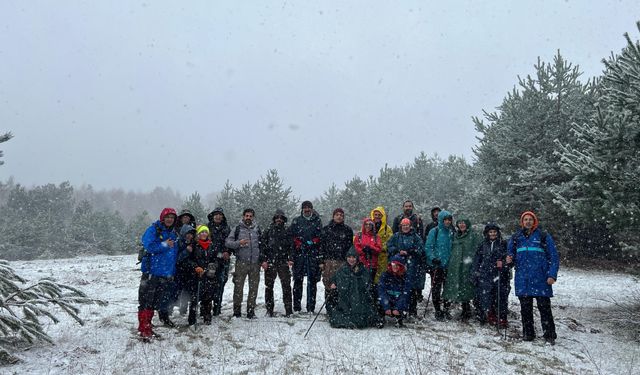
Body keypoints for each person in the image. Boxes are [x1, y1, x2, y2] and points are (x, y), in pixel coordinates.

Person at [506, 211, 559, 344]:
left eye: (530, 219)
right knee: (525, 309)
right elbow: (510, 256)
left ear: (534, 221)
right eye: (525, 220)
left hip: (541, 278)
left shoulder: (543, 236)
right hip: (523, 279)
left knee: (544, 308)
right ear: (522, 222)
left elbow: (553, 257)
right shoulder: (516, 237)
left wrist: (552, 275)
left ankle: (549, 335)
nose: (528, 222)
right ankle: (528, 334)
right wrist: (509, 260)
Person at [137, 208, 179, 340]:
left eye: (172, 217)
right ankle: (144, 329)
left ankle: (147, 326)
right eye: (167, 217)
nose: (170, 219)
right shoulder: (153, 230)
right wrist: (164, 244)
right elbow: (149, 246)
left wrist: (171, 272)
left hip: (164, 274)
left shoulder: (173, 233)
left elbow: (173, 255)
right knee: (146, 301)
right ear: (162, 218)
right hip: (151, 272)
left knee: (154, 302)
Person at [328, 247, 378, 329]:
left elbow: (367, 282)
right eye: (349, 257)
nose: (351, 260)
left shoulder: (362, 269)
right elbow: (335, 277)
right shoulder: (342, 269)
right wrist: (334, 283)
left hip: (359, 298)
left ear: (357, 258)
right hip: (346, 299)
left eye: (353, 257)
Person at [225, 208, 262, 319]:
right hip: (241, 262)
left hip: (255, 263)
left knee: (254, 288)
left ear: (253, 217)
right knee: (238, 288)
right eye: (246, 216)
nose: (248, 218)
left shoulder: (257, 229)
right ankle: (237, 312)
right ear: (243, 216)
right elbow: (228, 242)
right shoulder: (237, 229)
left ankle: (251, 311)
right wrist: (238, 243)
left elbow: (262, 244)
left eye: (250, 216)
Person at [442, 217, 481, 321]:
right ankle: (447, 309)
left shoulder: (473, 235)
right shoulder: (455, 235)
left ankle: (467, 310)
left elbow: (479, 249)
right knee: (454, 286)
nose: (462, 225)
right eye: (460, 223)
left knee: (467, 287)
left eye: (464, 223)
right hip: (455, 266)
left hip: (468, 266)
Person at [472, 223, 510, 327]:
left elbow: (509, 259)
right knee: (489, 296)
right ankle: (491, 315)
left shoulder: (503, 243)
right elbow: (477, 259)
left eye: (494, 232)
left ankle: (502, 318)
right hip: (486, 274)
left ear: (498, 233)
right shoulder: (483, 244)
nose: (493, 234)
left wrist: (503, 263)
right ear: (487, 233)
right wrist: (475, 272)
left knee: (501, 297)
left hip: (500, 274)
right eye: (490, 232)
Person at [289, 201, 323, 313]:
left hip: (313, 254)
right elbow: (291, 235)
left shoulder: (317, 220)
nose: (307, 209)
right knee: (298, 280)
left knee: (312, 281)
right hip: (299, 254)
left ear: (312, 209)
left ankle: (311, 307)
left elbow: (320, 236)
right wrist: (298, 242)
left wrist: (313, 242)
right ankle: (297, 307)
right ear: (302, 209)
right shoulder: (296, 221)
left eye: (309, 208)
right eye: (305, 208)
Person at [319, 208, 354, 314]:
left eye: (341, 215)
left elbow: (350, 247)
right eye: (337, 215)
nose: (339, 217)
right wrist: (321, 261)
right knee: (329, 286)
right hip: (329, 261)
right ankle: (329, 309)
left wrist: (350, 261)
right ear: (333, 216)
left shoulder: (348, 230)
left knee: (342, 286)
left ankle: (341, 308)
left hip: (343, 262)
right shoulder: (326, 229)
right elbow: (321, 246)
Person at [387, 218, 424, 318]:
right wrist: (398, 251)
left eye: (407, 225)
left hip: (412, 266)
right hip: (398, 266)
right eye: (403, 225)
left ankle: (412, 310)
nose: (405, 227)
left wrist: (411, 251)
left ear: (410, 226)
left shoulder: (416, 237)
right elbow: (389, 246)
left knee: (411, 289)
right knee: (399, 288)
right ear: (401, 226)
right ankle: (399, 310)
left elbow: (420, 249)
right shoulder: (396, 236)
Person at [260, 209, 294, 317]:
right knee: (269, 287)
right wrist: (264, 260)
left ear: (283, 219)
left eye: (281, 218)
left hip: (283, 262)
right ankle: (269, 309)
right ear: (274, 219)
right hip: (270, 262)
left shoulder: (287, 231)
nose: (279, 219)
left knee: (286, 286)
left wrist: (290, 258)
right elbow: (262, 246)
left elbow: (291, 246)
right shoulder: (268, 230)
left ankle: (288, 310)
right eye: (277, 217)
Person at [183, 225, 217, 326]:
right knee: (195, 298)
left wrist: (213, 265)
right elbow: (188, 259)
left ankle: (207, 317)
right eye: (201, 232)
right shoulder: (193, 245)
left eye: (205, 232)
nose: (203, 234)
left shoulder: (211, 245)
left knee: (208, 297)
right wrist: (195, 266)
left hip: (209, 275)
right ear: (198, 234)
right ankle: (192, 319)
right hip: (196, 276)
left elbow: (216, 258)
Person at [425, 210, 454, 321]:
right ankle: (438, 310)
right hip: (437, 266)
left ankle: (446, 309)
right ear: (441, 220)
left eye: (449, 220)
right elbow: (428, 247)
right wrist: (433, 258)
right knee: (436, 288)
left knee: (448, 289)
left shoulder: (452, 232)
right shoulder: (434, 231)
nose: (447, 222)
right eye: (445, 219)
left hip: (449, 265)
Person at [207, 208, 231, 316]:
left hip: (223, 262)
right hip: (210, 261)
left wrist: (228, 252)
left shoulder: (227, 228)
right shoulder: (207, 228)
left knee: (221, 284)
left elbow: (230, 242)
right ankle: (206, 308)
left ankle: (217, 307)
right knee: (208, 284)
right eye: (216, 215)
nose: (218, 217)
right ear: (212, 216)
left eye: (220, 215)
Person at [377, 255, 411, 328]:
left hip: (398, 300)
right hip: (388, 299)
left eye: (398, 265)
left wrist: (398, 308)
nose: (395, 266)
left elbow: (405, 294)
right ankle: (380, 318)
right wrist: (386, 306)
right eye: (393, 264)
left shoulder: (405, 277)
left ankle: (399, 318)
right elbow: (381, 291)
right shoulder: (385, 275)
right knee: (378, 300)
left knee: (406, 302)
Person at [175, 224, 197, 316]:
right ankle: (181, 309)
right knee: (181, 292)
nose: (189, 236)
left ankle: (190, 311)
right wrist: (186, 251)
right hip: (180, 272)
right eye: (188, 233)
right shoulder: (178, 243)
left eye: (191, 234)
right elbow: (177, 258)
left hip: (191, 272)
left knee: (190, 292)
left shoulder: (193, 243)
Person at [353, 218, 382, 285]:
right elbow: (356, 247)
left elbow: (379, 249)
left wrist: (371, 248)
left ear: (373, 226)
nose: (368, 226)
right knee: (360, 283)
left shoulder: (376, 237)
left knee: (370, 284)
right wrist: (363, 251)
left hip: (372, 264)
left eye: (370, 224)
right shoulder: (359, 235)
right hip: (361, 263)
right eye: (366, 224)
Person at [370, 206, 393, 284]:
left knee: (381, 279)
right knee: (370, 278)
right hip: (370, 257)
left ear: (382, 216)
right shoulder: (368, 226)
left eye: (379, 215)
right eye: (375, 214)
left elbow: (390, 242)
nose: (377, 216)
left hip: (382, 257)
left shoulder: (387, 229)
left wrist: (380, 248)